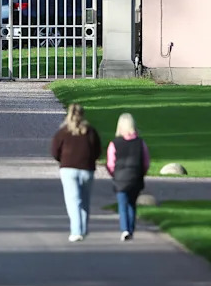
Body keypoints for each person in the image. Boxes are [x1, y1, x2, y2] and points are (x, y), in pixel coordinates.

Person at [50, 103, 102, 242]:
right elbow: (97, 151)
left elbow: (55, 151)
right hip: (87, 169)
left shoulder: (63, 132)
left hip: (68, 169)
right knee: (85, 201)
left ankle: (76, 231)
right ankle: (83, 230)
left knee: (73, 201)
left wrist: (62, 159)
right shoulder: (90, 131)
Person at [105, 113, 150, 241]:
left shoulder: (115, 143)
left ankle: (125, 229)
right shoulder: (140, 143)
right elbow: (145, 161)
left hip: (120, 178)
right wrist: (142, 172)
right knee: (132, 204)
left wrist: (114, 174)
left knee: (122, 204)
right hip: (135, 177)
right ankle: (131, 228)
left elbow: (111, 163)